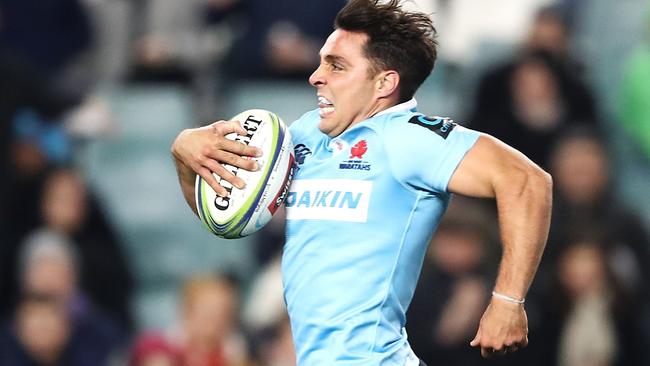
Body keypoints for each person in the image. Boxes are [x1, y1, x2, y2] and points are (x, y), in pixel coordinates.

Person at [171, 0, 552, 364]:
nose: (315, 76)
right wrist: (186, 155)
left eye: (336, 66)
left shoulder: (412, 137)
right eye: (321, 62)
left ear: (384, 82)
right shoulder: (305, 133)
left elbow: (528, 181)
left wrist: (508, 300)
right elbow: (225, 218)